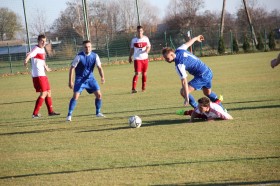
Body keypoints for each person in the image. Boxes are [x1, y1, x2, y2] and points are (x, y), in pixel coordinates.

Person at [162, 35, 224, 109]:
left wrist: (186, 97)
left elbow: (184, 81)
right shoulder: (180, 49)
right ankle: (223, 109)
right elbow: (189, 43)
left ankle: (198, 110)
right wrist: (196, 38)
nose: (166, 60)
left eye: (167, 58)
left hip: (202, 76)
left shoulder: (179, 64)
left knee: (183, 92)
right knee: (208, 93)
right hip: (208, 71)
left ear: (172, 54)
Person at [67, 40, 105, 121]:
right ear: (83, 48)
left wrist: (102, 77)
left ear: (91, 47)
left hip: (90, 79)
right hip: (80, 79)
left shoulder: (95, 56)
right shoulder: (79, 56)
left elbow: (99, 67)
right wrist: (70, 81)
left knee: (99, 95)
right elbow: (72, 68)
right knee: (75, 96)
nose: (87, 48)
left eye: (89, 47)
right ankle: (69, 115)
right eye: (86, 47)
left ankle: (98, 112)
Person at [23, 34, 60, 118]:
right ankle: (35, 114)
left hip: (43, 74)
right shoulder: (36, 49)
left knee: (49, 91)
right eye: (42, 41)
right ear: (38, 41)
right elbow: (30, 55)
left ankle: (50, 112)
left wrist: (46, 67)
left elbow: (42, 60)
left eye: (44, 41)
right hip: (38, 75)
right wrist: (26, 60)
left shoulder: (42, 49)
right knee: (43, 93)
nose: (43, 42)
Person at [129, 25, 151, 93]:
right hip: (137, 59)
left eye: (141, 31)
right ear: (137, 32)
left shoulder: (146, 38)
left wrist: (147, 50)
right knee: (137, 73)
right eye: (138, 31)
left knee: (144, 73)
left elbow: (149, 46)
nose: (140, 32)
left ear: (143, 31)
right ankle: (133, 89)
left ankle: (143, 88)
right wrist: (130, 56)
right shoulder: (134, 40)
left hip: (145, 59)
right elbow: (132, 49)